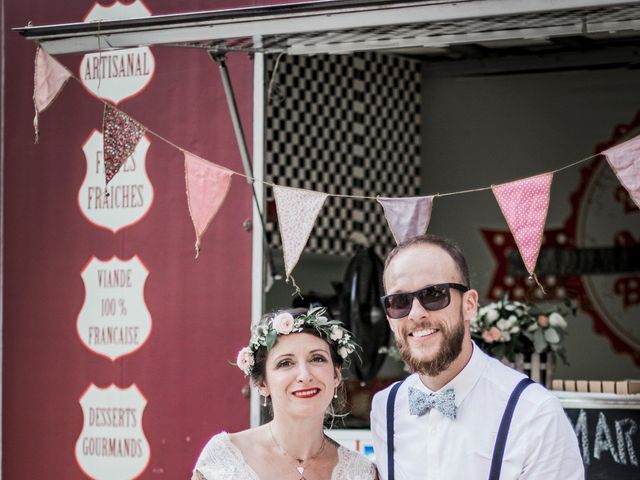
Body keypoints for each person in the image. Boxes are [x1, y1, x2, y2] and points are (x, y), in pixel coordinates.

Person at [370, 235, 584, 480]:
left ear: (469, 304)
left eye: (434, 294)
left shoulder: (535, 413)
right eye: (399, 301)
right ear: (389, 318)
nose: (416, 314)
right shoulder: (385, 408)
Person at [193, 306, 378, 480]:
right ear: (262, 383)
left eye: (317, 358)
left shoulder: (361, 472)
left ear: (336, 374)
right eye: (286, 363)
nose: (305, 376)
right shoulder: (225, 457)